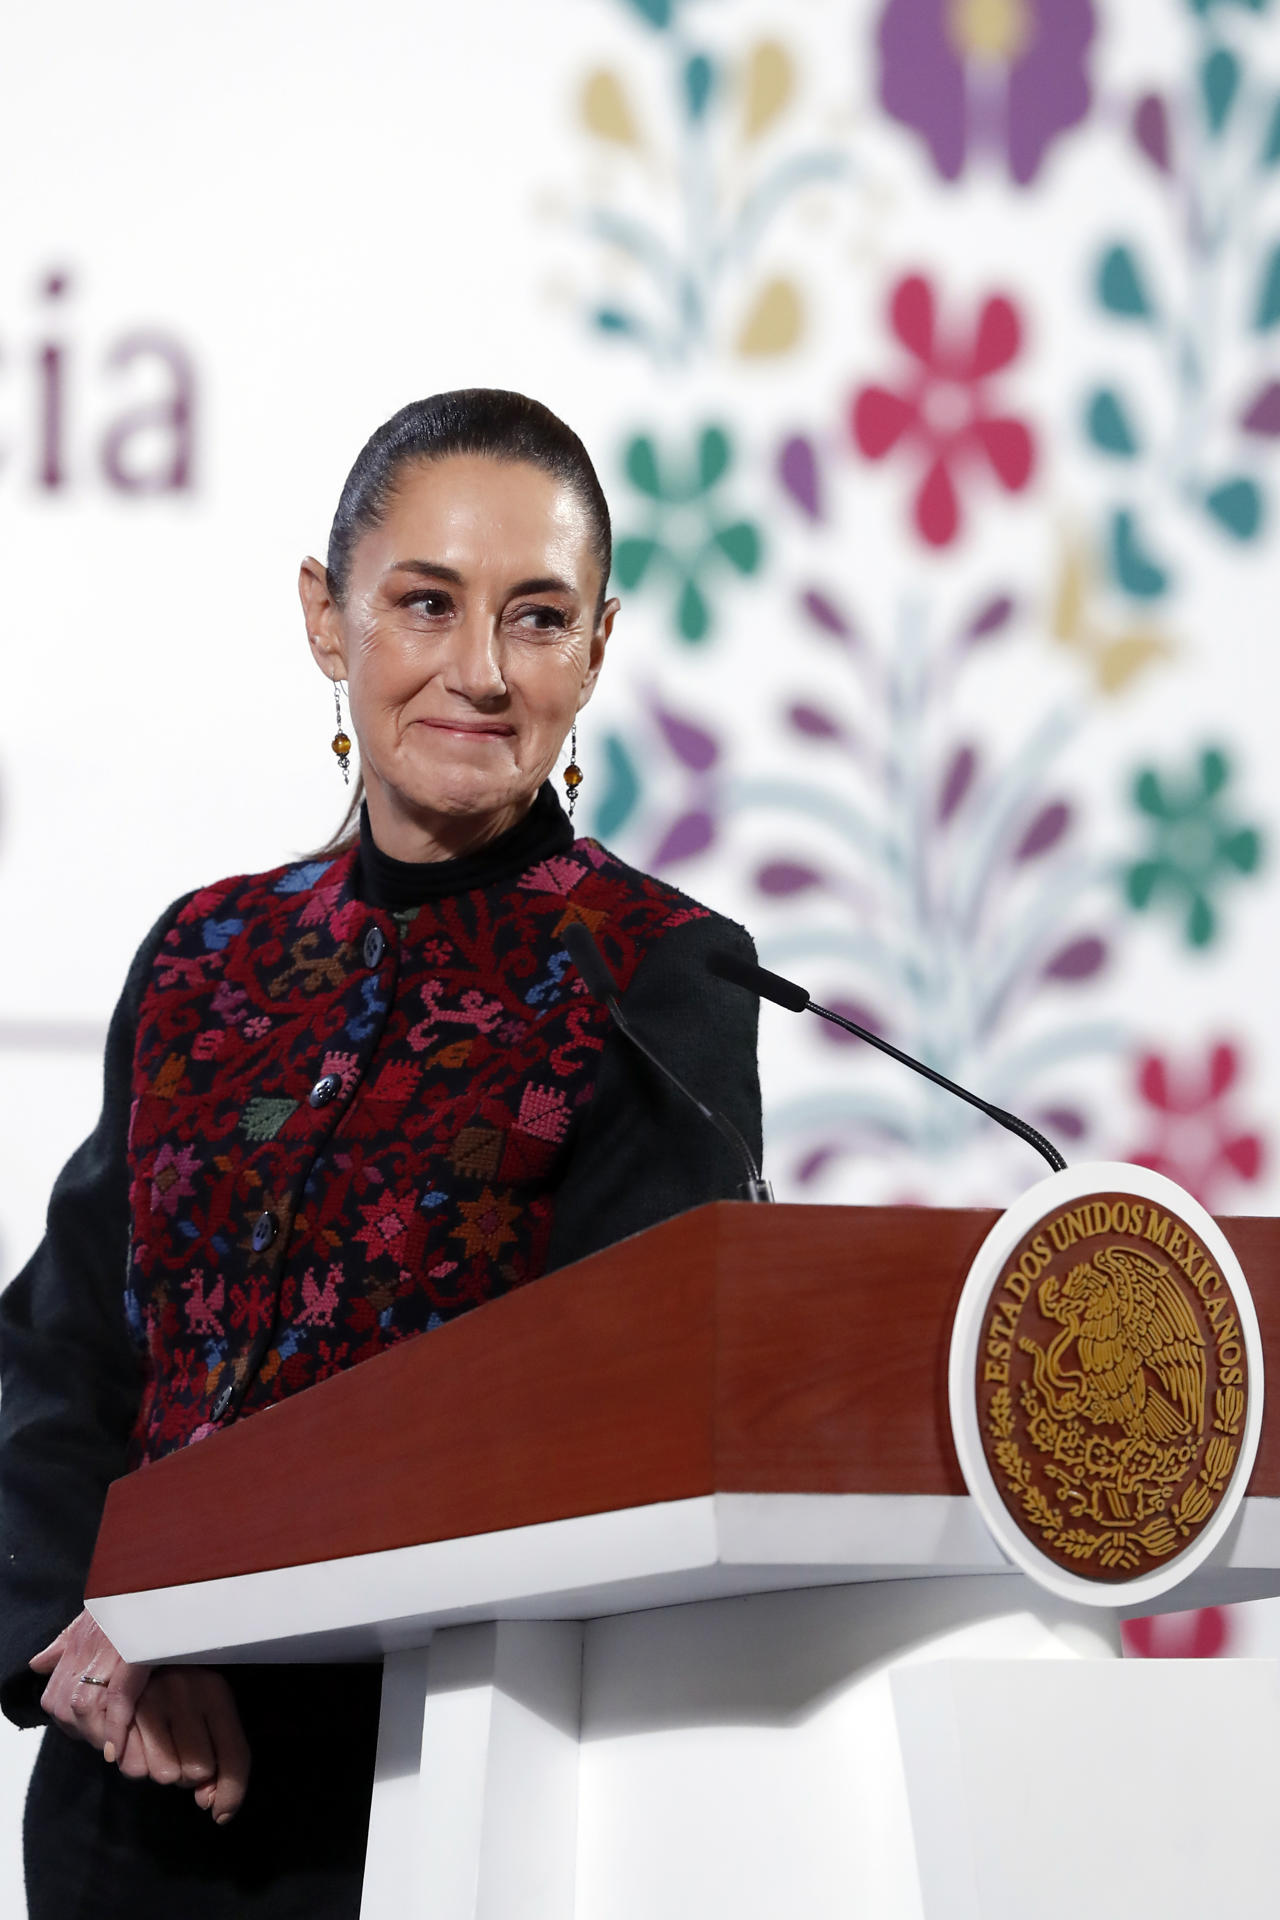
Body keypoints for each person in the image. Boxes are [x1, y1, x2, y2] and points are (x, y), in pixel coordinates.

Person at [0, 389, 762, 1918]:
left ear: (597, 651)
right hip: (128, 1804)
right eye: (426, 603)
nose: (479, 670)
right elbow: (62, 1360)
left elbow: (604, 1432)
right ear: (327, 618)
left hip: (434, 1800)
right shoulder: (206, 953)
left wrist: (210, 1613)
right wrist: (83, 1643)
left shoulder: (657, 971)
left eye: (537, 618)